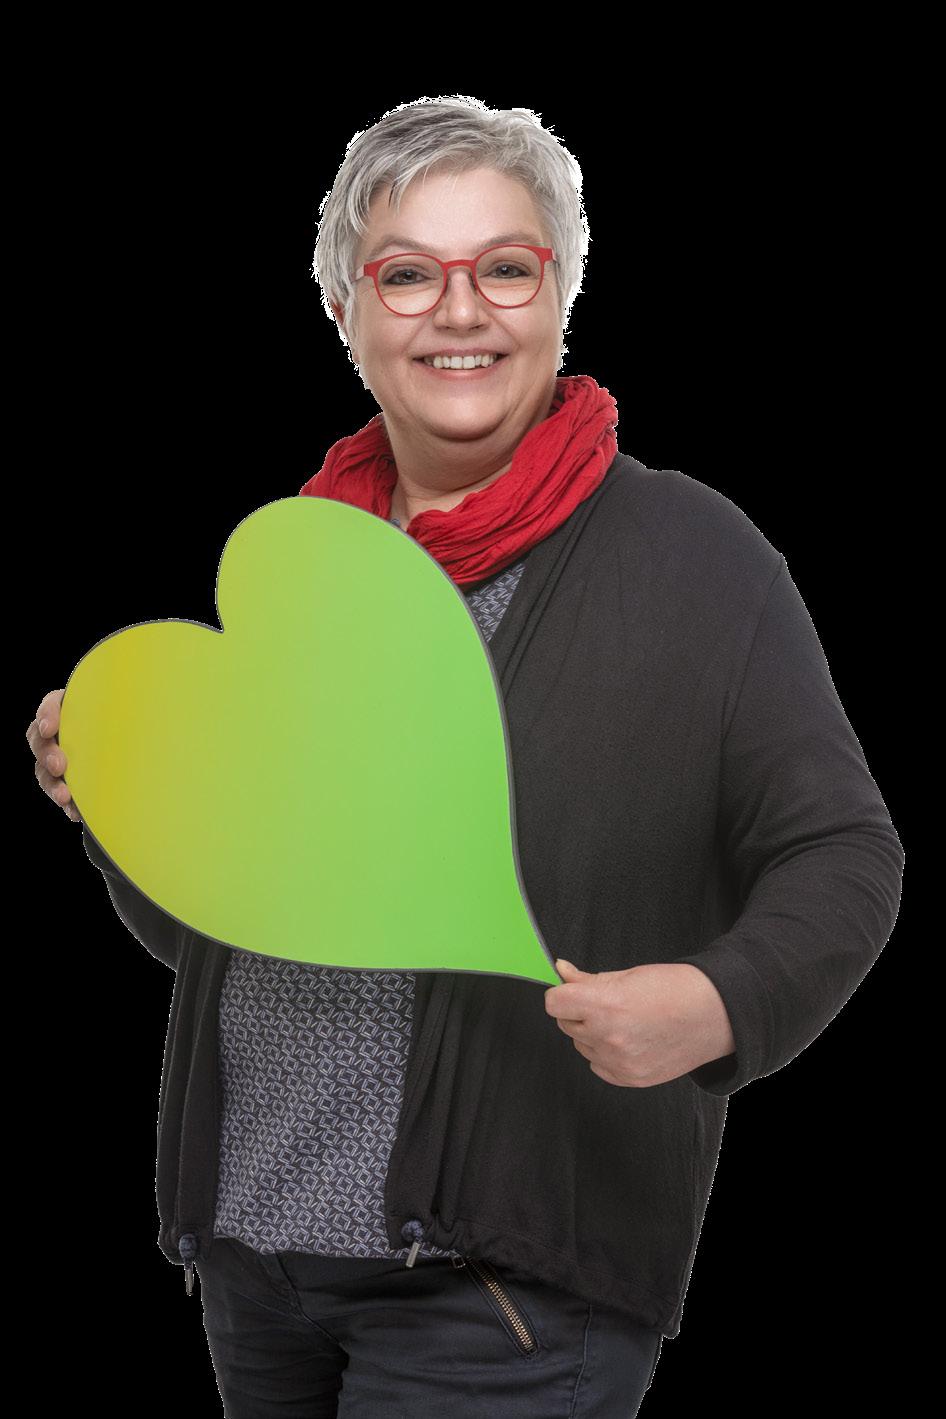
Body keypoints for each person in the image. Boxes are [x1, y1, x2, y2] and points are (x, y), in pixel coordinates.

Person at [26, 97, 905, 1418]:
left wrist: (721, 1000)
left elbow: (842, 851)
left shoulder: (694, 563)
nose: (459, 311)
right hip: (256, 1252)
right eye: (407, 274)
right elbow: (227, 929)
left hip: (502, 1284)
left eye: (503, 267)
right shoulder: (313, 572)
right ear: (346, 309)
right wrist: (124, 807)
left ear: (559, 292)